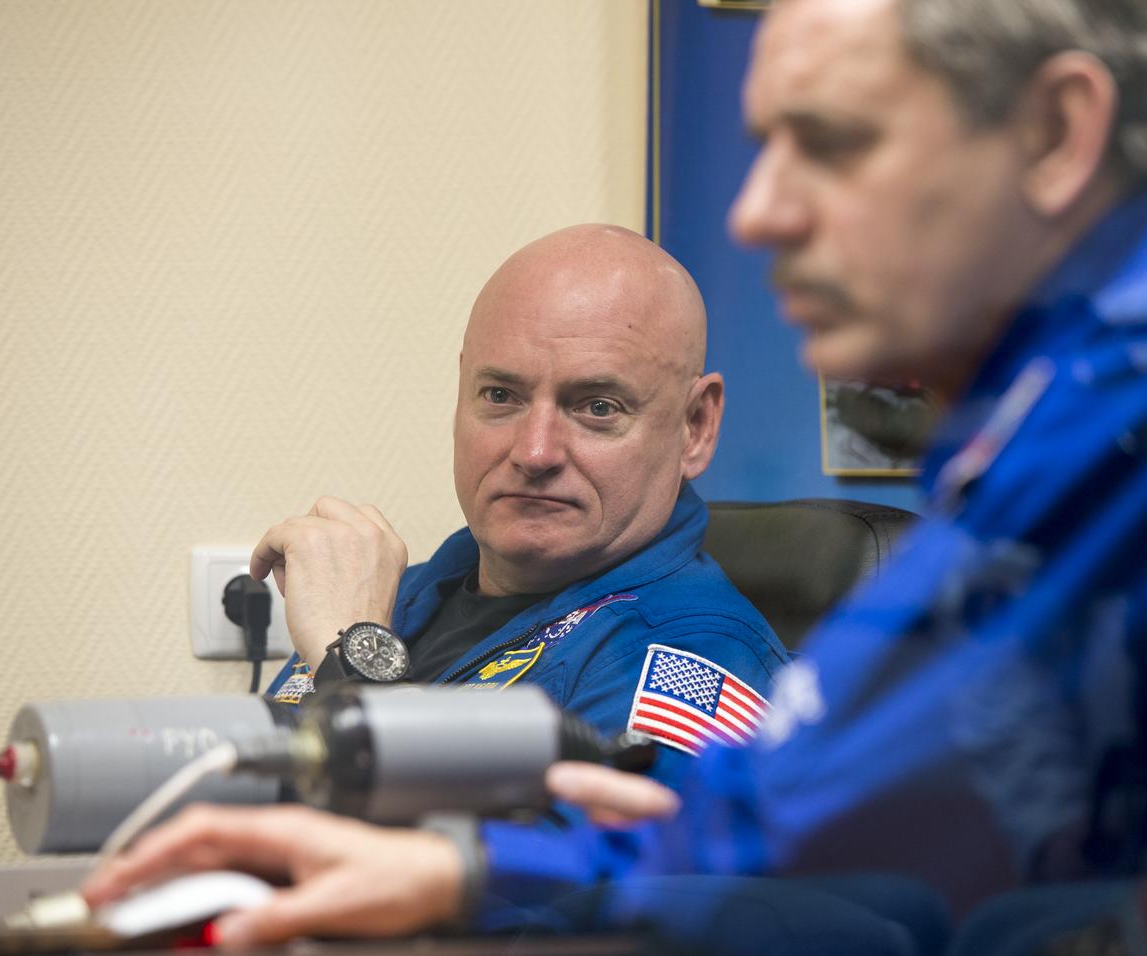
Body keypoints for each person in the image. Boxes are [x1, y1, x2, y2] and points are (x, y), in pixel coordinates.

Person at [83, 0, 1147, 950]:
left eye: (830, 143)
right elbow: (744, 827)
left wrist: (359, 676)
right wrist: (461, 866)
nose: (756, 213)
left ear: (1052, 137)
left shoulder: (1103, 455)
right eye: (498, 395)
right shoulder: (1016, 480)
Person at [256, 223, 787, 788]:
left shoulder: (690, 662)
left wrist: (355, 658)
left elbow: (498, 872)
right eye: (501, 396)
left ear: (695, 427)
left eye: (598, 407)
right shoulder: (396, 597)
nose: (535, 452)